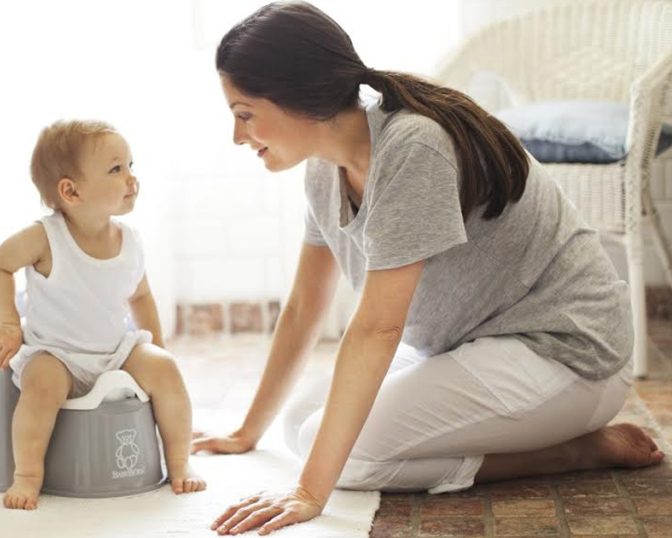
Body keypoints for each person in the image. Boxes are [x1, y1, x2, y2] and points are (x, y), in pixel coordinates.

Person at [189, 2, 664, 535]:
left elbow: (378, 328)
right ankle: (557, 445)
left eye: (244, 114)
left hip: (566, 354)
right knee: (299, 424)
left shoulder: (413, 147)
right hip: (469, 345)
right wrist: (247, 431)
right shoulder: (323, 171)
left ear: (298, 95)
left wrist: (308, 493)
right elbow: (303, 308)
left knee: (345, 461)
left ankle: (572, 452)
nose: (237, 136)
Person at [0, 119, 206, 510]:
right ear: (71, 191)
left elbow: (141, 296)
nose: (131, 178)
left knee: (166, 370)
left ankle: (178, 462)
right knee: (41, 385)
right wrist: (8, 323)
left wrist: (156, 347)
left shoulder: (130, 240)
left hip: (114, 351)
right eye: (116, 169)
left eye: (131, 166)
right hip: (56, 353)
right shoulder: (45, 237)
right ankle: (27, 476)